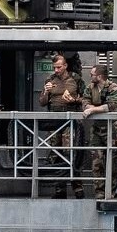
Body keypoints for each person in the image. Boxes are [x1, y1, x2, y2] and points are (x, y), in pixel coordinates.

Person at [38, 53, 86, 197]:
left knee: (70, 152)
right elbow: (42, 102)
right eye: (54, 67)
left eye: (59, 67)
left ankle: (78, 187)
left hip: (70, 120)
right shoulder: (50, 79)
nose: (56, 70)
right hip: (54, 121)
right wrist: (46, 91)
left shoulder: (75, 79)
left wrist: (74, 100)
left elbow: (86, 98)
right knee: (55, 153)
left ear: (65, 66)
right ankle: (60, 189)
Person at [82, 63, 117, 190]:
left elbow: (111, 105)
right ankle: (99, 192)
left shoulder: (113, 87)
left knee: (112, 162)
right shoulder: (90, 87)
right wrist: (96, 109)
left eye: (92, 74)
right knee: (96, 162)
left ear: (99, 76)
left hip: (112, 129)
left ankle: (110, 191)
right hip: (96, 129)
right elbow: (85, 103)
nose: (90, 76)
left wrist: (92, 110)